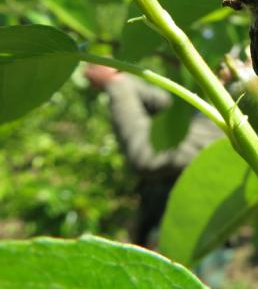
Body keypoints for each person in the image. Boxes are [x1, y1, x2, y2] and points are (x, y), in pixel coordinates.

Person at [84, 64, 222, 246]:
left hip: (194, 236)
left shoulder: (236, 118)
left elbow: (148, 155)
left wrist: (116, 83)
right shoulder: (218, 105)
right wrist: (118, 74)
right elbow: (173, 106)